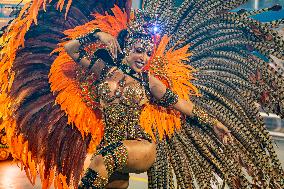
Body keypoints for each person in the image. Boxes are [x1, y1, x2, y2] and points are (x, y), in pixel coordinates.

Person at [0, 0, 283, 189]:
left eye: (147, 53)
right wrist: (97, 35)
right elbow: (71, 51)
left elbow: (184, 105)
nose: (143, 57)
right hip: (110, 147)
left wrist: (216, 123)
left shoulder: (150, 82)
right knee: (106, 166)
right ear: (126, 48)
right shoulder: (103, 71)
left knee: (102, 160)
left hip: (140, 147)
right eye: (138, 50)